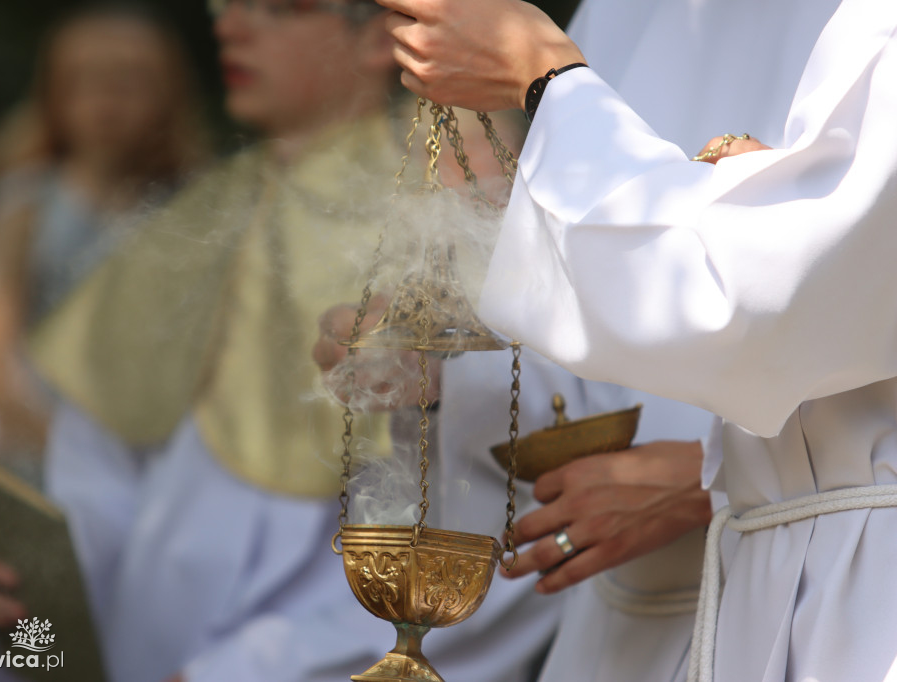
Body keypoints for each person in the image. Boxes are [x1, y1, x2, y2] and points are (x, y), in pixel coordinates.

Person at [0, 1, 561, 681]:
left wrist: (248, 669)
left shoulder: (453, 217)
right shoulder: (192, 218)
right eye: (227, 6)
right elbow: (100, 475)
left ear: (382, 37)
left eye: (280, 8)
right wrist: (28, 594)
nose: (231, 26)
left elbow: (503, 525)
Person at [373, 0, 897, 680]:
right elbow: (606, 328)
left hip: (864, 588)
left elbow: (747, 296)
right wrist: (445, 366)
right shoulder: (632, 11)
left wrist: (545, 75)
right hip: (690, 594)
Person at [0, 4, 207, 457]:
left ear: (169, 94)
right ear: (53, 95)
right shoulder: (24, 203)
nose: (107, 103)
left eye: (127, 83)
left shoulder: (192, 205)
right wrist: (56, 442)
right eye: (85, 83)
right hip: (40, 450)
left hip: (154, 454)